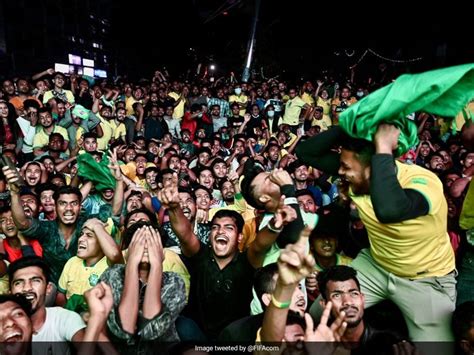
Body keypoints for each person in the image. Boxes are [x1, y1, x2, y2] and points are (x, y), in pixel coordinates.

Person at [296, 124, 456, 342]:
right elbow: (306, 152)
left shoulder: (423, 181)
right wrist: (350, 124)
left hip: (426, 278)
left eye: (345, 166)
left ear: (372, 168)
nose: (340, 172)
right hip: (377, 265)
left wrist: (383, 146)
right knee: (318, 317)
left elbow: (390, 209)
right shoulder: (359, 177)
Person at [8, 256, 86, 355]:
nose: (27, 288)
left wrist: (97, 317)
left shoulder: (64, 318)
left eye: (35, 280)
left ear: (48, 288)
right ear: (10, 292)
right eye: (18, 283)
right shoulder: (3, 327)